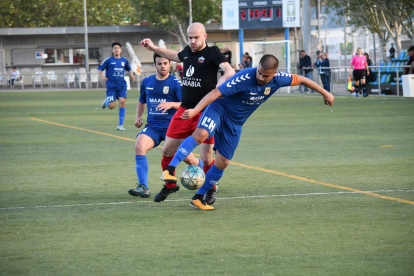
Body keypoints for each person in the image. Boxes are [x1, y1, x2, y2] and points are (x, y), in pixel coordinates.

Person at [160, 54, 334, 210]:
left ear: (274, 74)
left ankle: (198, 198)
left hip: (235, 124)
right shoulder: (243, 77)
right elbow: (215, 92)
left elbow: (303, 79)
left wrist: (325, 93)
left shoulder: (280, 79)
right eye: (259, 72)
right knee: (201, 135)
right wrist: (196, 110)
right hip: (219, 110)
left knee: (223, 162)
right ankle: (170, 169)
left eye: (265, 75)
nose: (260, 76)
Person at [139, 22, 235, 203]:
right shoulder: (188, 52)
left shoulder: (213, 52)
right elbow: (175, 55)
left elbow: (230, 70)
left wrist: (220, 84)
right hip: (184, 110)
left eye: (195, 37)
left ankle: (210, 189)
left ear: (204, 36)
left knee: (206, 158)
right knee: (167, 149)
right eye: (190, 37)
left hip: (206, 111)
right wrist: (153, 47)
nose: (192, 41)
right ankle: (170, 186)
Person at [128, 54, 188, 198]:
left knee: (188, 158)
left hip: (172, 127)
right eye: (159, 63)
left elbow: (186, 104)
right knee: (139, 146)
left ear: (170, 65)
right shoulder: (147, 82)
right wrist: (138, 117)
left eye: (165, 63)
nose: (162, 66)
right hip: (153, 126)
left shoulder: (175, 83)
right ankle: (143, 186)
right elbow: (141, 100)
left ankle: (211, 182)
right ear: (155, 65)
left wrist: (171, 104)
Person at [98, 42, 135, 131]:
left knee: (122, 102)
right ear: (112, 50)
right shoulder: (108, 60)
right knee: (111, 106)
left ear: (120, 50)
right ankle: (106, 101)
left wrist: (131, 75)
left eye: (118, 48)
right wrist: (103, 77)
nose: (116, 49)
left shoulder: (124, 60)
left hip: (122, 85)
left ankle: (120, 125)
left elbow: (129, 68)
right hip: (111, 86)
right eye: (114, 48)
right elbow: (100, 69)